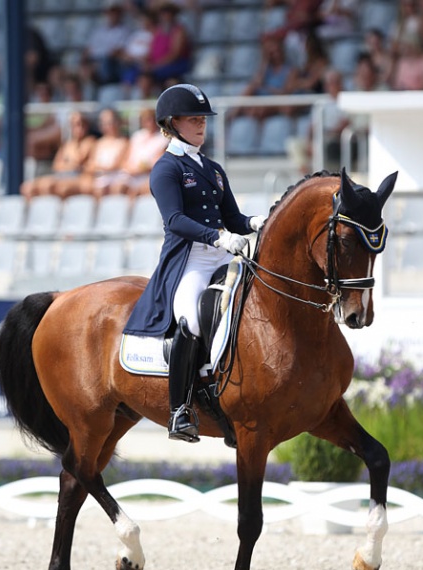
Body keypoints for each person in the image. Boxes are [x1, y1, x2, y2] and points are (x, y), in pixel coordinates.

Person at [123, 84, 267, 443]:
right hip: (190, 260)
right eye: (193, 119)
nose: (201, 125)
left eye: (203, 119)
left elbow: (231, 216)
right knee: (190, 320)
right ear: (172, 123)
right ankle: (181, 410)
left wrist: (254, 223)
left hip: (224, 253)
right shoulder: (166, 169)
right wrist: (218, 237)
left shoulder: (214, 170)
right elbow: (174, 220)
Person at [20, 111, 96, 200]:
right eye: (75, 124)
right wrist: (70, 165)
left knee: (58, 188)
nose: (79, 128)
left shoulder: (91, 143)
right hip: (62, 176)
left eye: (81, 124)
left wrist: (71, 164)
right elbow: (57, 165)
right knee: (27, 188)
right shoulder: (67, 145)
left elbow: (85, 166)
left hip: (79, 178)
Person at [102, 107, 166, 198]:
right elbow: (126, 158)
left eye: (150, 119)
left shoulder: (162, 139)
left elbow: (156, 162)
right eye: (145, 119)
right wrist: (128, 169)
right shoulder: (137, 136)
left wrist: (139, 170)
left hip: (148, 175)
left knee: (135, 191)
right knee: (117, 187)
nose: (148, 122)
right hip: (130, 174)